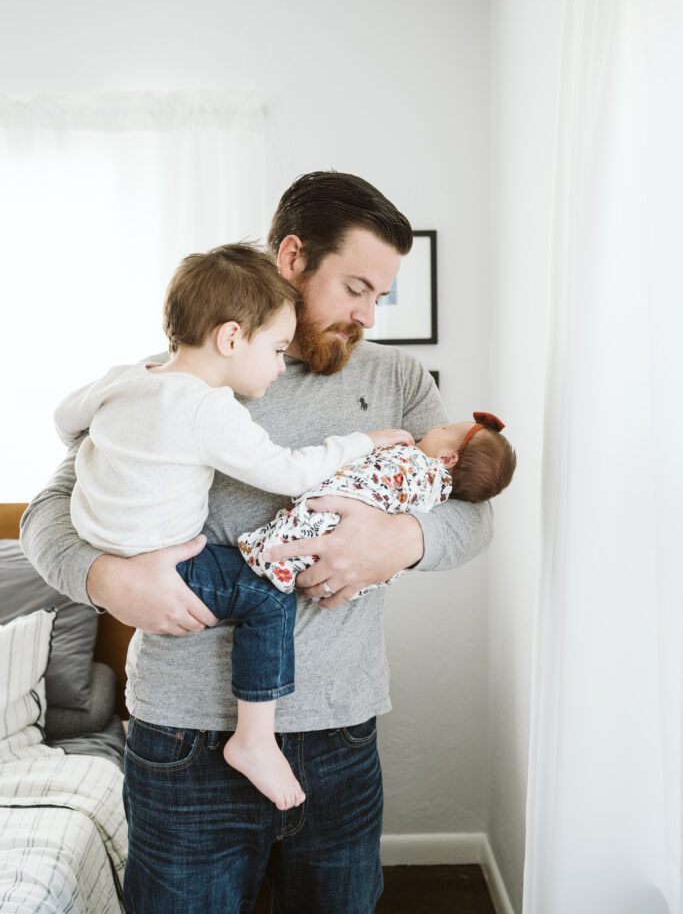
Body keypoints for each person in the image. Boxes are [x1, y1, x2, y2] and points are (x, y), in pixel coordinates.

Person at [21, 170, 494, 914]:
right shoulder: (181, 375)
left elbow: (470, 518)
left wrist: (396, 541)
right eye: (355, 288)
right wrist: (103, 580)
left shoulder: (398, 377)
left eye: (381, 295)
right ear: (294, 258)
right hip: (184, 740)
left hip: (339, 731)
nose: (369, 314)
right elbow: (45, 510)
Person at [53, 243, 412, 812]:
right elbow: (288, 471)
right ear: (229, 339)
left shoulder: (129, 378)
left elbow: (65, 417)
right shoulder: (209, 407)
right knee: (268, 590)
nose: (278, 363)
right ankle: (254, 736)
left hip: (110, 540)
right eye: (273, 348)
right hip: (169, 568)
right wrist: (364, 442)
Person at [239, 412, 516, 598]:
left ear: (447, 460)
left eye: (443, 429)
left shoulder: (417, 463)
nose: (435, 426)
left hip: (292, 555)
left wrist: (402, 539)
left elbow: (478, 518)